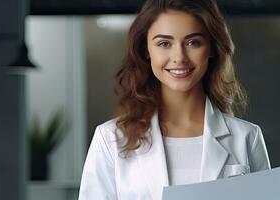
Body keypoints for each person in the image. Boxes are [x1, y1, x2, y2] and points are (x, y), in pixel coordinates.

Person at [78, 0, 270, 199]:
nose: (179, 57)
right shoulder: (111, 139)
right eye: (164, 44)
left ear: (211, 48)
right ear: (146, 51)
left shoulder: (247, 137)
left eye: (193, 42)